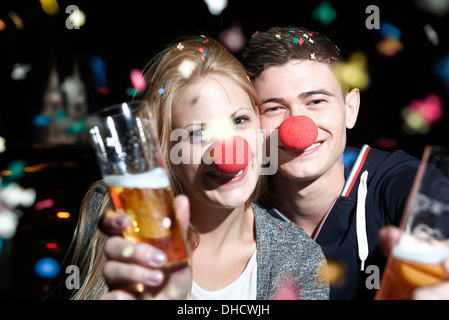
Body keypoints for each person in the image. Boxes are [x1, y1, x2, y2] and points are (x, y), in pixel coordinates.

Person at [65, 36, 329, 300]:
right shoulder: (115, 220)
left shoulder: (298, 257)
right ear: (166, 151)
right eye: (198, 133)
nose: (228, 152)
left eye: (239, 120)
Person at [240, 26, 449, 300]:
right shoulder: (235, 205)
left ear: (350, 109)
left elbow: (432, 204)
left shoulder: (396, 180)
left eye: (316, 101)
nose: (298, 128)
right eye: (273, 108)